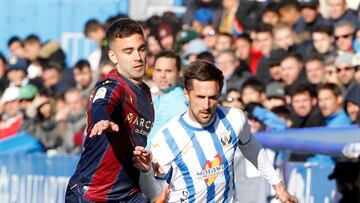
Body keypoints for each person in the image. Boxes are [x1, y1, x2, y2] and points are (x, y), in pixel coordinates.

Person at [133, 60, 297, 203]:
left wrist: (278, 185)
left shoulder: (234, 118)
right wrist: (146, 172)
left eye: (212, 97)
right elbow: (153, 194)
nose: (206, 105)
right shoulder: (167, 137)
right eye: (200, 97)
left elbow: (252, 148)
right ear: (186, 95)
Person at [65, 18, 154, 202]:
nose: (138, 57)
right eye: (128, 51)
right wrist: (101, 118)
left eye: (141, 49)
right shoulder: (112, 85)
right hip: (93, 195)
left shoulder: (145, 92)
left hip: (130, 194)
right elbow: (101, 102)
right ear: (113, 57)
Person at [147, 51, 187, 148]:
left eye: (168, 71)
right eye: (158, 70)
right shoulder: (157, 99)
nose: (162, 75)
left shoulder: (181, 104)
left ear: (178, 74)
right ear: (153, 73)